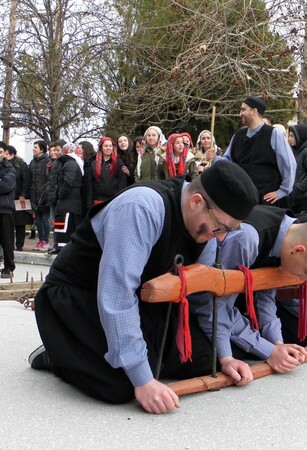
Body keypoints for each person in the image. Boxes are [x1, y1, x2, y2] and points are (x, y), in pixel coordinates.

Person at [29, 161, 259, 415]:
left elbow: (203, 299)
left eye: (229, 230)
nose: (220, 238)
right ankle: (61, 351)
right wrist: (143, 381)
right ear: (196, 201)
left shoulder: (207, 231)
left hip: (140, 301)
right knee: (122, 385)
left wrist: (224, 356)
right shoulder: (141, 207)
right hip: (78, 297)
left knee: (204, 359)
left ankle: (107, 354)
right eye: (221, 226)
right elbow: (117, 297)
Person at [190, 206, 307, 382]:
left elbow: (266, 296)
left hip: (224, 305)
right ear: (299, 250)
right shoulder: (246, 240)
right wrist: (232, 357)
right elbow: (213, 303)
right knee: (207, 357)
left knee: (288, 340)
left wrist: (278, 344)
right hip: (191, 299)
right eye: (306, 273)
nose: (302, 279)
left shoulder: (288, 235)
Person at [214, 97, 296, 205]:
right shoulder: (238, 136)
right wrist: (214, 158)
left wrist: (282, 191)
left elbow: (289, 164)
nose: (240, 114)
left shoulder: (274, 134)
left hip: (265, 200)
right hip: (242, 197)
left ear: (254, 111)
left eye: (243, 110)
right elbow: (229, 161)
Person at [46, 143, 84, 255]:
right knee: (62, 227)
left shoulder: (68, 163)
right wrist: (60, 195)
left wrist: (60, 194)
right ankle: (61, 247)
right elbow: (68, 182)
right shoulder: (72, 163)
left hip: (67, 203)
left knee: (64, 228)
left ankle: (62, 247)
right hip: (68, 203)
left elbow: (67, 182)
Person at [279, 124, 307, 214]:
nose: (289, 139)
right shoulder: (294, 150)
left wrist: (298, 188)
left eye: (292, 136)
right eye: (289, 136)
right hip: (295, 196)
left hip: (305, 197)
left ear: (299, 136)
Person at [3, 145, 32, 252]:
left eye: (6, 154)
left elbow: (26, 180)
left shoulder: (21, 165)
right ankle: (9, 245)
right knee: (8, 223)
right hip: (8, 197)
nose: (4, 156)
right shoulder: (4, 165)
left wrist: (23, 194)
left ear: (12, 154)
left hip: (19, 197)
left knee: (20, 223)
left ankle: (19, 245)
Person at [87, 137, 128, 207]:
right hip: (98, 201)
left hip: (114, 200)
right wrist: (89, 203)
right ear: (101, 148)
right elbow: (90, 184)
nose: (108, 148)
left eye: (110, 146)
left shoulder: (118, 162)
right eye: (106, 146)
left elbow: (122, 183)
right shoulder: (94, 163)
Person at [29, 140, 53, 252]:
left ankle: (46, 241)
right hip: (34, 196)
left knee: (45, 219)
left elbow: (49, 180)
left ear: (42, 149)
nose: (33, 149)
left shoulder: (48, 161)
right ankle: (40, 240)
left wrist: (45, 194)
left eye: (36, 147)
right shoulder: (32, 162)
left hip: (44, 197)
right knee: (38, 220)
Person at [0, 143, 16, 278]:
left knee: (7, 240)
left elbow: (5, 186)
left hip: (5, 209)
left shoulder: (10, 169)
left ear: (5, 153)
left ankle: (9, 267)